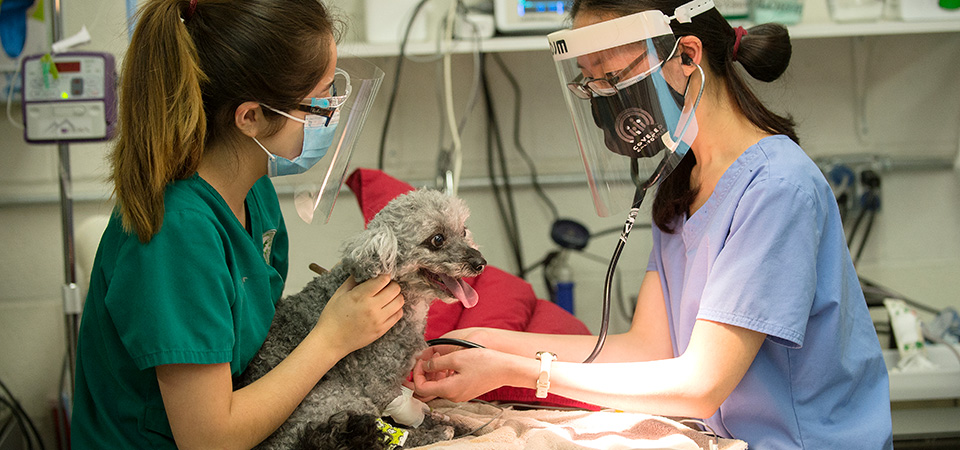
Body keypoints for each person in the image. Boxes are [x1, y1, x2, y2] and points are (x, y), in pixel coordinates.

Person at [413, 0, 893, 448]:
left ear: (686, 56)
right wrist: (483, 341)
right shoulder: (684, 182)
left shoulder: (776, 188)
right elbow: (645, 347)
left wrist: (514, 370)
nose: (605, 97)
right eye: (590, 81)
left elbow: (699, 387)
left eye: (614, 75)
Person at [71, 0, 402, 448]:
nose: (331, 110)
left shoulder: (252, 192)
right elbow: (210, 438)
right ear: (250, 117)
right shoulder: (177, 234)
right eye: (320, 98)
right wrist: (330, 339)